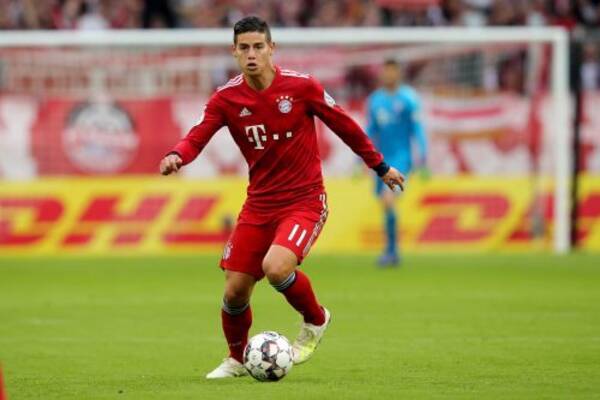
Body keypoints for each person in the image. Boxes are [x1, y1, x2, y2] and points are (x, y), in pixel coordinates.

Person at [159, 16, 405, 379]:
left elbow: (344, 125)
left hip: (304, 200)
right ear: (234, 52)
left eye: (258, 46)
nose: (252, 54)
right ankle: (237, 358)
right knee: (234, 291)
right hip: (259, 205)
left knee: (276, 268)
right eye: (244, 48)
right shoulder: (226, 98)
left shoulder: (302, 87)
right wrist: (177, 155)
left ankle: (316, 319)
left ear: (271, 49)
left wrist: (380, 166)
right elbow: (197, 134)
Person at [365, 59, 428, 267]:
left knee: (388, 199)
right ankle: (391, 250)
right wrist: (359, 159)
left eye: (392, 71)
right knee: (385, 204)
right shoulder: (375, 100)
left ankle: (391, 252)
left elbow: (417, 129)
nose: (389, 75)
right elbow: (370, 131)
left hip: (402, 158)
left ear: (398, 73)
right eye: (386, 71)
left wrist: (423, 158)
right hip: (380, 160)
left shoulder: (409, 98)